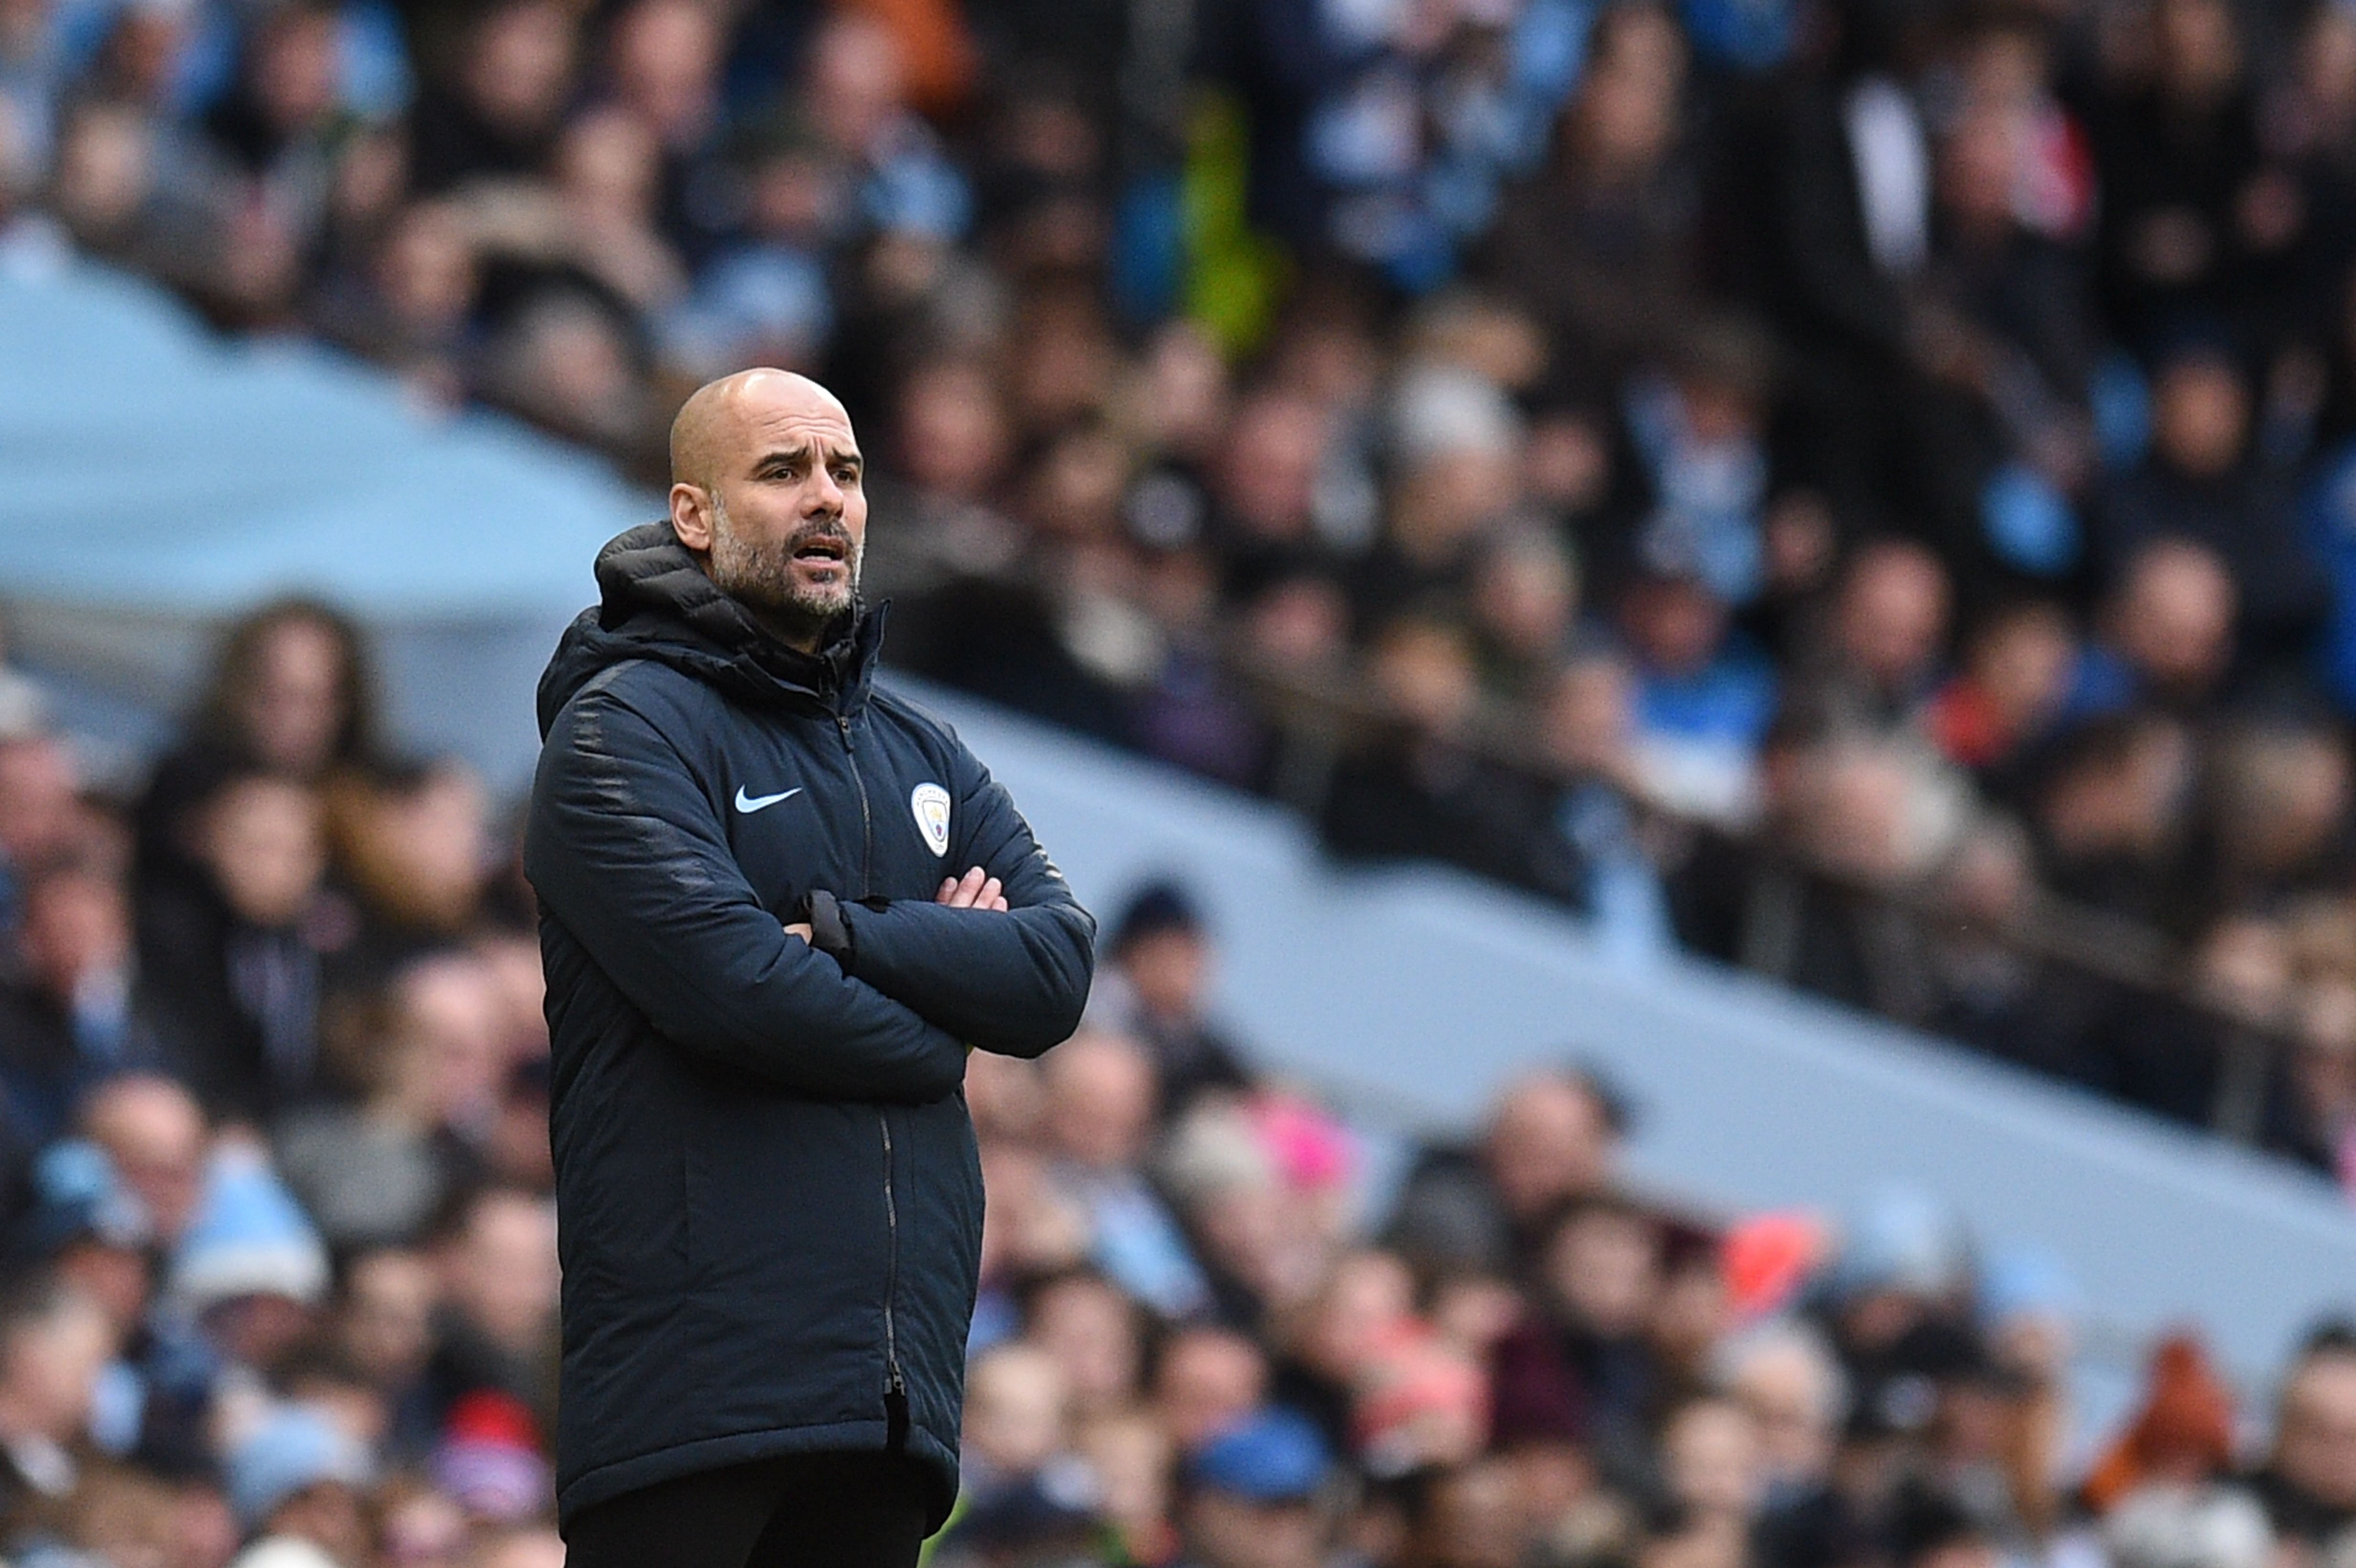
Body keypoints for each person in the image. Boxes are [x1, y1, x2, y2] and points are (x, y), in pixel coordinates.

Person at [523, 367, 1096, 1567]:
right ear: (694, 513)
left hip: (888, 1403)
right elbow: (739, 987)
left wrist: (849, 934)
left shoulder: (921, 748)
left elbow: (1053, 968)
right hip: (692, 1397)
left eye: (845, 471)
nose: (826, 498)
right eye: (782, 471)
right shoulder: (623, 726)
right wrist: (943, 1024)